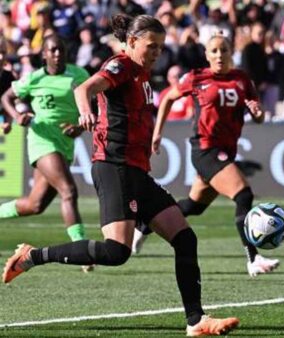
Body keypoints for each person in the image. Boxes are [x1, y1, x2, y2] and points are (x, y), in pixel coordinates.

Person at [2, 14, 239, 337]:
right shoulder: (122, 65)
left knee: (185, 238)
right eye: (150, 46)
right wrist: (86, 110)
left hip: (136, 171)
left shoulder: (142, 73)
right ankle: (31, 257)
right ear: (131, 43)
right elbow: (86, 87)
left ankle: (195, 321)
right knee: (116, 252)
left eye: (160, 46)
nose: (156, 52)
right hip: (114, 167)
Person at [135, 32, 279, 278]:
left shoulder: (242, 80)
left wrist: (257, 112)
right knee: (243, 194)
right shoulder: (197, 78)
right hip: (205, 149)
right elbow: (168, 98)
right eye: (214, 50)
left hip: (225, 151)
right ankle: (253, 259)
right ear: (206, 55)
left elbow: (259, 116)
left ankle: (145, 222)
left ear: (231, 52)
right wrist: (157, 132)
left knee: (193, 206)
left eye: (224, 50)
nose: (219, 55)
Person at [0, 35, 93, 272]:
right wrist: (18, 115)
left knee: (35, 204)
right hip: (42, 140)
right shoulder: (34, 78)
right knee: (68, 191)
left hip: (65, 143)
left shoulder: (79, 75)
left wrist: (80, 126)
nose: (57, 54)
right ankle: (81, 249)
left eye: (60, 49)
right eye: (52, 50)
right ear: (43, 54)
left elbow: (93, 106)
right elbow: (6, 97)